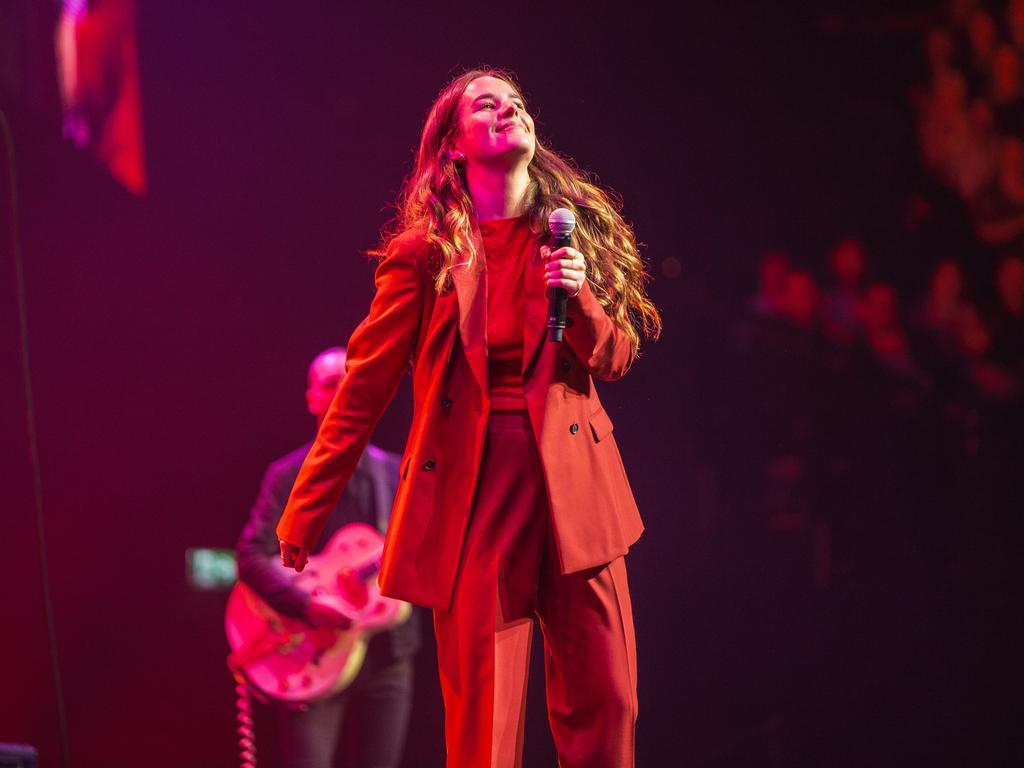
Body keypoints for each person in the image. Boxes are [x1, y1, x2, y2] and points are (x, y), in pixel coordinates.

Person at [275, 67, 661, 768]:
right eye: (487, 103)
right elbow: (363, 387)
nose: (508, 109)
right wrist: (307, 509)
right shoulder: (426, 256)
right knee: (487, 723)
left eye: (516, 102)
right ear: (454, 144)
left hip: (579, 492)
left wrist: (581, 299)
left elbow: (616, 357)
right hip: (480, 497)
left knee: (609, 704)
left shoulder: (566, 238)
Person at [235, 346, 419, 768]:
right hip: (312, 654)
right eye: (329, 384)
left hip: (387, 653)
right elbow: (250, 555)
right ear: (312, 399)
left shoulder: (397, 473)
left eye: (349, 381)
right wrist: (307, 604)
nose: (341, 392)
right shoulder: (286, 475)